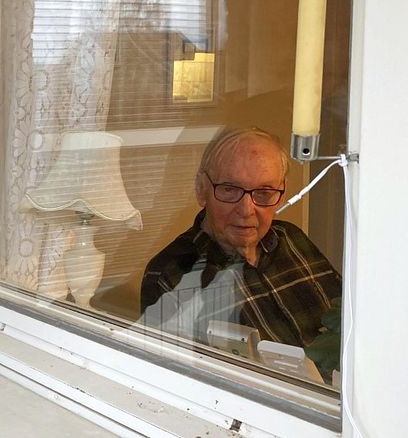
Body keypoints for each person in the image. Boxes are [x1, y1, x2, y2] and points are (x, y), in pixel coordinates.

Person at [139, 127, 341, 349]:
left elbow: (347, 321)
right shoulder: (172, 274)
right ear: (201, 189)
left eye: (264, 193)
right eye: (229, 189)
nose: (246, 210)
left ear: (281, 194)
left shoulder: (292, 239)